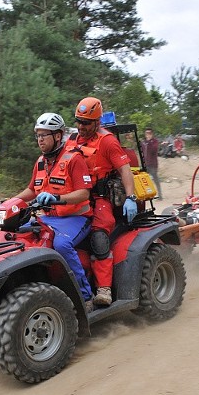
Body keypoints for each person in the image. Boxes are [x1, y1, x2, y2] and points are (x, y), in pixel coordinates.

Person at [14, 113, 94, 310]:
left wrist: (58, 199)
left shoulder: (74, 159)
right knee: (17, 236)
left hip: (76, 217)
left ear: (58, 136)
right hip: (49, 218)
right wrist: (13, 200)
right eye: (38, 135)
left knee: (61, 244)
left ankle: (85, 297)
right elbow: (32, 189)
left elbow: (84, 193)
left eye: (44, 135)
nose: (40, 139)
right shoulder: (41, 161)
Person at [65, 97, 137, 307]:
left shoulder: (107, 141)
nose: (81, 126)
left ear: (97, 122)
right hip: (75, 197)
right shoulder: (71, 140)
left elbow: (125, 170)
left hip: (100, 199)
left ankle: (104, 288)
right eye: (78, 121)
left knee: (98, 236)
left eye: (86, 123)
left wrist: (131, 197)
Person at [142, 127, 162, 199]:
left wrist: (149, 142)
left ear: (152, 134)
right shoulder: (143, 142)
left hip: (153, 164)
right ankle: (147, 195)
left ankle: (160, 195)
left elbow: (154, 149)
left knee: (156, 179)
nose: (148, 135)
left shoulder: (154, 142)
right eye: (147, 133)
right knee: (145, 181)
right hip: (145, 164)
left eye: (149, 133)